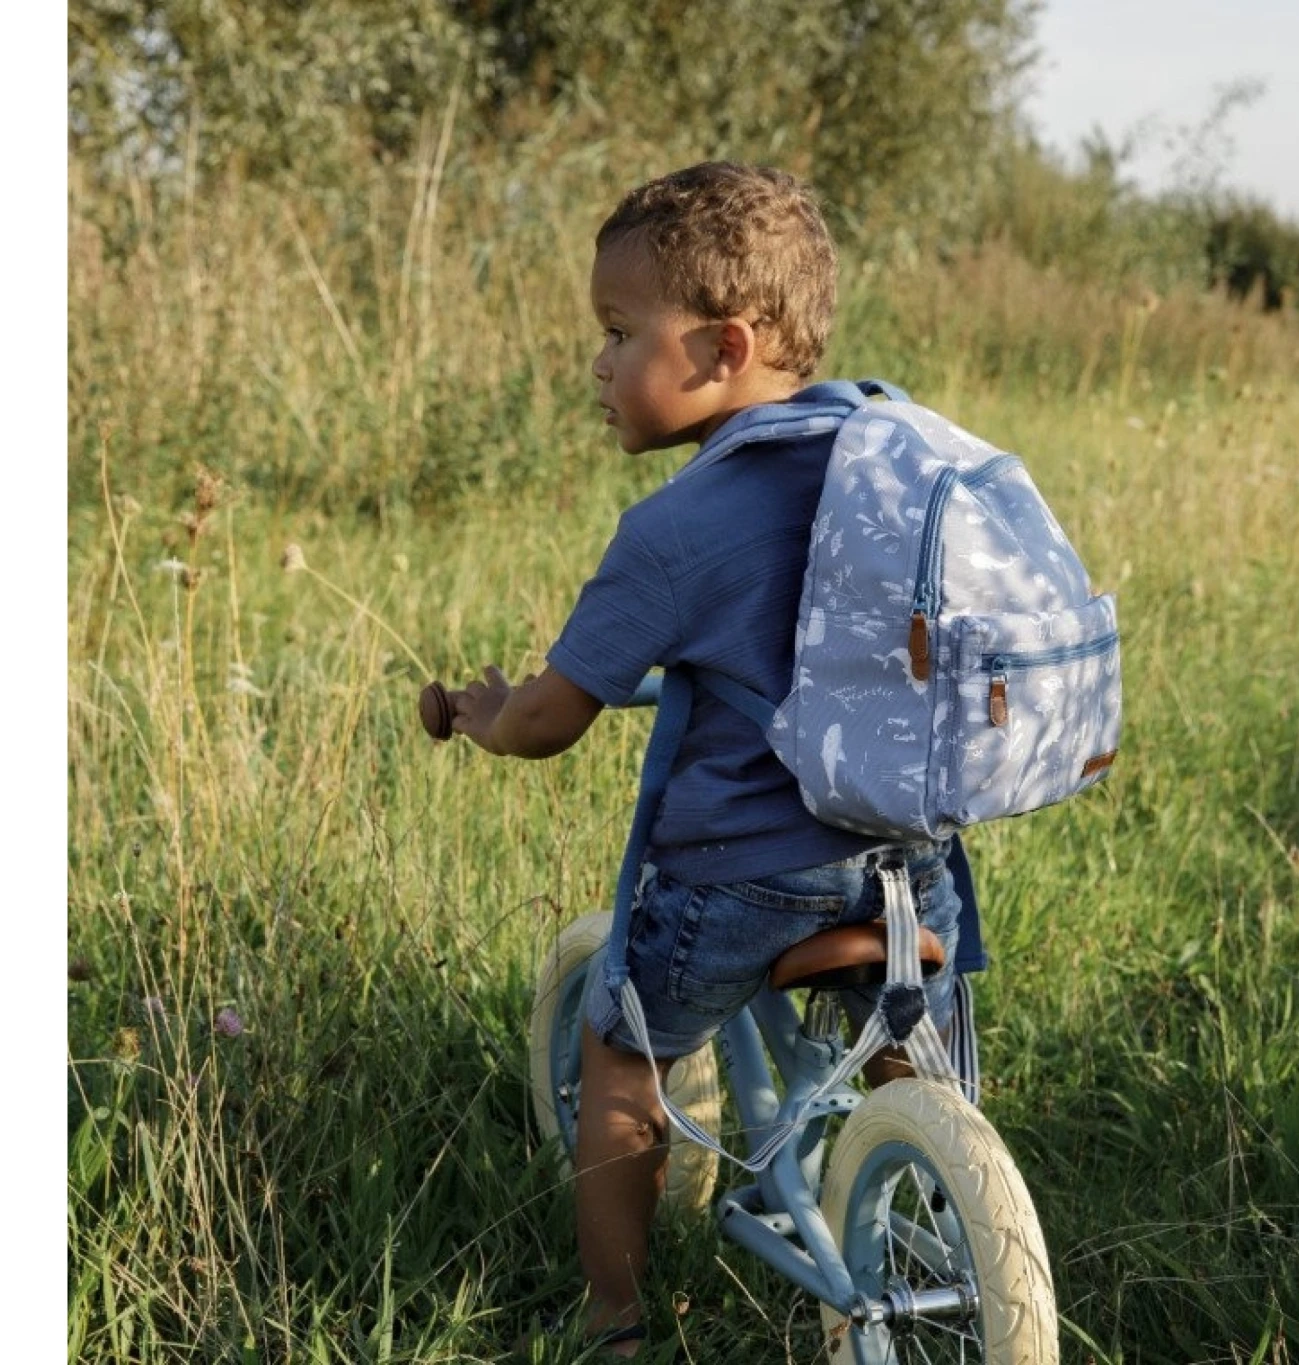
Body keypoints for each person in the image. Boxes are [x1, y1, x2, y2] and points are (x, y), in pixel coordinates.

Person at [447, 161, 963, 1358]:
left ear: (725, 349)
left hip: (743, 880)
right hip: (908, 858)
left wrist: (486, 715)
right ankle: (932, 1186)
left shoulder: (675, 529)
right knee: (903, 1044)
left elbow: (549, 719)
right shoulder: (894, 468)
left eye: (619, 332)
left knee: (622, 1058)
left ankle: (613, 1319)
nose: (599, 364)